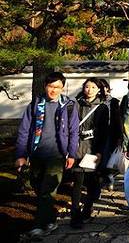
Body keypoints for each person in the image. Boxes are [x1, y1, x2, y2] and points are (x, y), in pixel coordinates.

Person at [15, 72, 79, 239]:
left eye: (57, 87)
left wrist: (71, 154)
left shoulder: (69, 105)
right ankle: (50, 220)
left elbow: (74, 131)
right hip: (36, 153)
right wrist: (21, 155)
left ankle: (38, 227)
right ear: (45, 86)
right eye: (51, 86)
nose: (53, 90)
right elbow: (24, 131)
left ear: (62, 88)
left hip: (57, 155)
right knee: (37, 186)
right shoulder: (35, 104)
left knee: (48, 191)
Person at [70, 78, 110, 228]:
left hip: (93, 147)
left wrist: (99, 151)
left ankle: (87, 208)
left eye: (93, 87)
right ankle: (75, 214)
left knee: (91, 180)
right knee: (77, 181)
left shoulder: (102, 108)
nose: (90, 90)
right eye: (87, 87)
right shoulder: (75, 104)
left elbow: (104, 131)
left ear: (99, 90)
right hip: (77, 146)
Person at [98, 78, 122, 191]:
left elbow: (118, 120)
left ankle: (108, 179)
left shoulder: (114, 102)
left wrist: (119, 135)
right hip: (97, 133)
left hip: (110, 133)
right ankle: (100, 181)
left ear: (107, 88)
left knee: (108, 158)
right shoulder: (95, 101)